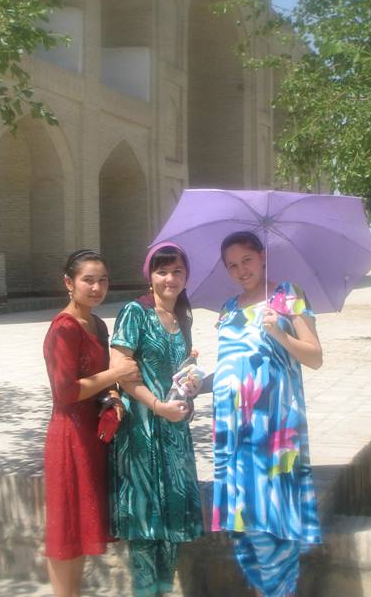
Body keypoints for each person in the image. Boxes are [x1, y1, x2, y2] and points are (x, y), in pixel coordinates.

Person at [212, 231, 323, 597]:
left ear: (262, 257)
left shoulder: (288, 295)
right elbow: (233, 366)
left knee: (276, 518)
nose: (241, 270)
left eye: (246, 260)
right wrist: (195, 381)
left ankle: (281, 592)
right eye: (232, 265)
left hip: (275, 430)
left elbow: (314, 357)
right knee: (247, 521)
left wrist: (280, 332)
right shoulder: (229, 308)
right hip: (235, 432)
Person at [43, 249, 141, 597]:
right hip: (70, 436)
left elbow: (101, 380)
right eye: (88, 280)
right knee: (65, 527)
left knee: (83, 525)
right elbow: (65, 392)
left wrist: (113, 394)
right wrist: (114, 374)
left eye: (103, 280)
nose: (97, 287)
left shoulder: (98, 324)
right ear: (69, 283)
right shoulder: (63, 329)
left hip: (94, 435)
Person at [109, 242, 204, 597]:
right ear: (149, 275)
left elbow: (177, 374)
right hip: (143, 431)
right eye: (162, 271)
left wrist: (189, 388)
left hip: (174, 433)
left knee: (172, 522)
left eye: (177, 270)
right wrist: (157, 406)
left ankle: (162, 590)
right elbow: (121, 372)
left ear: (186, 275)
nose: (170, 278)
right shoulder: (135, 313)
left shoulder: (182, 316)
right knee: (146, 520)